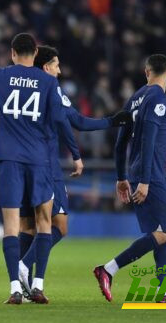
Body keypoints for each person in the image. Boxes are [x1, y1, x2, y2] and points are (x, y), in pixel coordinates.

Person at [0, 33, 81, 304]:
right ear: (35, 54)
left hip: (8, 160)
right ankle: (38, 285)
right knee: (44, 222)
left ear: (12, 53)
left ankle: (14, 289)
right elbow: (59, 119)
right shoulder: (48, 81)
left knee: (12, 226)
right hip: (39, 161)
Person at [17, 46, 131, 297]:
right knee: (59, 225)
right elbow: (75, 120)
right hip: (45, 164)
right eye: (56, 64)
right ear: (46, 67)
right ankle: (25, 268)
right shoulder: (51, 88)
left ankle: (28, 288)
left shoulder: (23, 87)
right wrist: (111, 121)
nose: (59, 70)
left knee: (29, 227)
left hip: (19, 162)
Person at [93, 54, 166, 302]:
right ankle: (108, 269)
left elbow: (120, 143)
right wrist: (146, 181)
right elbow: (149, 137)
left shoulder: (135, 99)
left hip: (139, 170)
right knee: (163, 234)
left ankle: (164, 291)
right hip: (152, 173)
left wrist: (121, 176)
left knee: (163, 230)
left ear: (146, 71)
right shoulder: (159, 99)